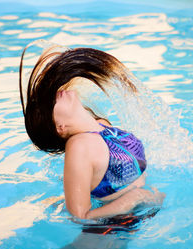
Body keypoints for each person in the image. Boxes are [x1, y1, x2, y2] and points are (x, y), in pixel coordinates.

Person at [19, 45, 165, 220]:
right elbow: (80, 216)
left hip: (143, 213)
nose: (55, 94)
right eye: (51, 103)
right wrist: (136, 198)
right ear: (60, 127)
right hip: (114, 226)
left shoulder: (102, 125)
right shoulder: (79, 145)